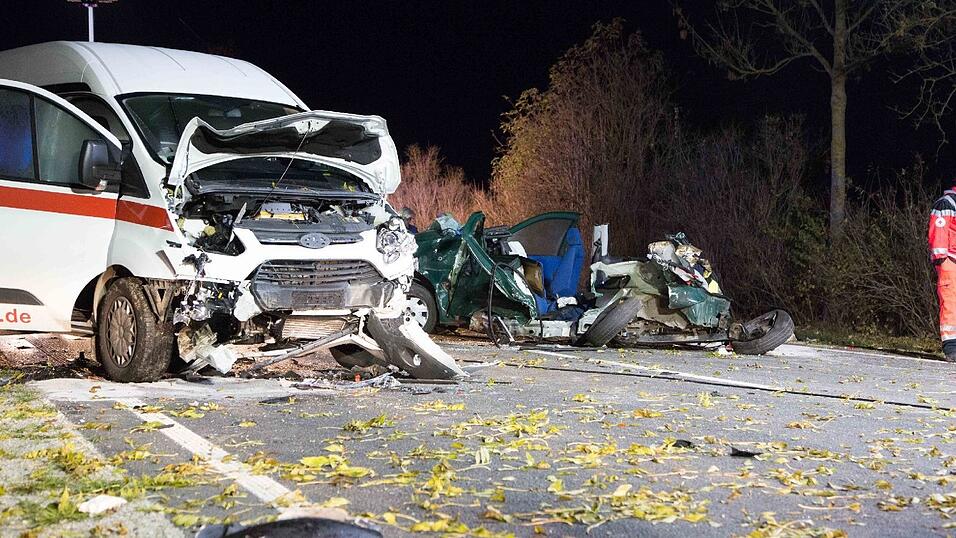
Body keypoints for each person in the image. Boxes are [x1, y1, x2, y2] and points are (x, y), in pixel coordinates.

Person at [928, 183, 956, 362]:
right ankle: (952, 348)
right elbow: (939, 231)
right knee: (950, 303)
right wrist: (941, 258)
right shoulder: (947, 203)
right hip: (950, 261)